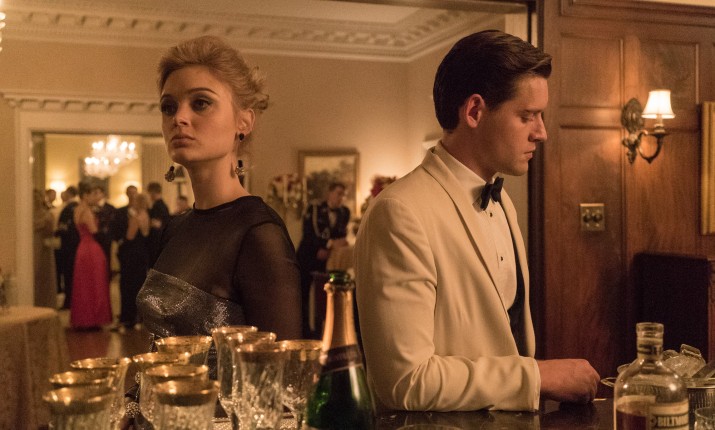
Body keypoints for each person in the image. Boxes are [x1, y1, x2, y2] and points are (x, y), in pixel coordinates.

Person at [354, 30, 600, 412]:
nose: (542, 132)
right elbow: (404, 381)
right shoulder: (399, 212)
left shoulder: (504, 204)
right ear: (474, 112)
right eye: (527, 116)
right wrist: (537, 377)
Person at [126, 36, 302, 419]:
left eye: (200, 103)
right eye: (168, 107)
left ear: (244, 121)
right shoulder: (175, 229)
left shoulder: (258, 234)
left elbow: (283, 395)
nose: (179, 118)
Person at [296, 182, 350, 338]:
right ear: (329, 193)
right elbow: (309, 233)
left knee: (323, 295)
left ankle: (323, 331)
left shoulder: (344, 212)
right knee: (303, 295)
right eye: (338, 193)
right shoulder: (314, 208)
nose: (341, 198)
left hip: (327, 261)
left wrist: (330, 247)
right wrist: (327, 244)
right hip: (308, 257)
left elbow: (341, 236)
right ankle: (304, 331)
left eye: (343, 195)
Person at [70, 180, 112, 329]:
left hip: (82, 248)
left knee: (83, 284)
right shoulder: (86, 210)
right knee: (94, 284)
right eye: (92, 194)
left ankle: (83, 319)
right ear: (85, 195)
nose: (95, 198)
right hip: (91, 249)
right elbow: (94, 231)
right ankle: (92, 319)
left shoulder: (77, 209)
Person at [116, 192, 150, 330]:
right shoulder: (146, 215)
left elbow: (129, 236)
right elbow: (146, 234)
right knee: (139, 285)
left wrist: (120, 243)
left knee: (128, 286)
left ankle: (128, 318)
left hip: (131, 255)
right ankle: (139, 318)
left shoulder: (136, 217)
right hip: (141, 254)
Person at [111, 185, 140, 331]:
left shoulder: (142, 211)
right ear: (127, 194)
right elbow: (115, 231)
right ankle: (126, 315)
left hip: (140, 253)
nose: (132, 196)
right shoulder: (120, 212)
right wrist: (121, 242)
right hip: (126, 253)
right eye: (130, 193)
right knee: (125, 284)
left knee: (139, 284)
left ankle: (137, 317)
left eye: (134, 193)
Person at [56, 185, 79, 309]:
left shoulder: (69, 208)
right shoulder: (75, 207)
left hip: (69, 247)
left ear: (69, 194)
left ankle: (69, 301)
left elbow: (63, 227)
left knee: (69, 274)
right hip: (75, 246)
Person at [33, 189, 56, 308]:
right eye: (34, 197)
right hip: (33, 248)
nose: (36, 199)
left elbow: (51, 232)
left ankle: (46, 304)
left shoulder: (47, 214)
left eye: (38, 197)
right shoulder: (26, 215)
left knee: (44, 277)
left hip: (44, 249)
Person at [146, 181, 170, 263]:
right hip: (160, 239)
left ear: (152, 192)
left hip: (156, 240)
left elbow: (157, 224)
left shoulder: (157, 206)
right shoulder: (163, 205)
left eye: (149, 193)